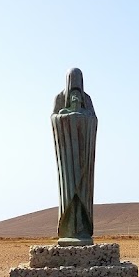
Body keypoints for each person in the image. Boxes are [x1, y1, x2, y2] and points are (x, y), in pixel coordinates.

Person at [51, 68, 98, 246]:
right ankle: (69, 228)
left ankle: (83, 229)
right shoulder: (59, 98)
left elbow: (93, 120)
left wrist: (81, 115)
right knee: (68, 190)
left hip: (84, 153)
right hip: (67, 156)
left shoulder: (87, 100)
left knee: (84, 191)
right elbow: (54, 119)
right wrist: (68, 115)